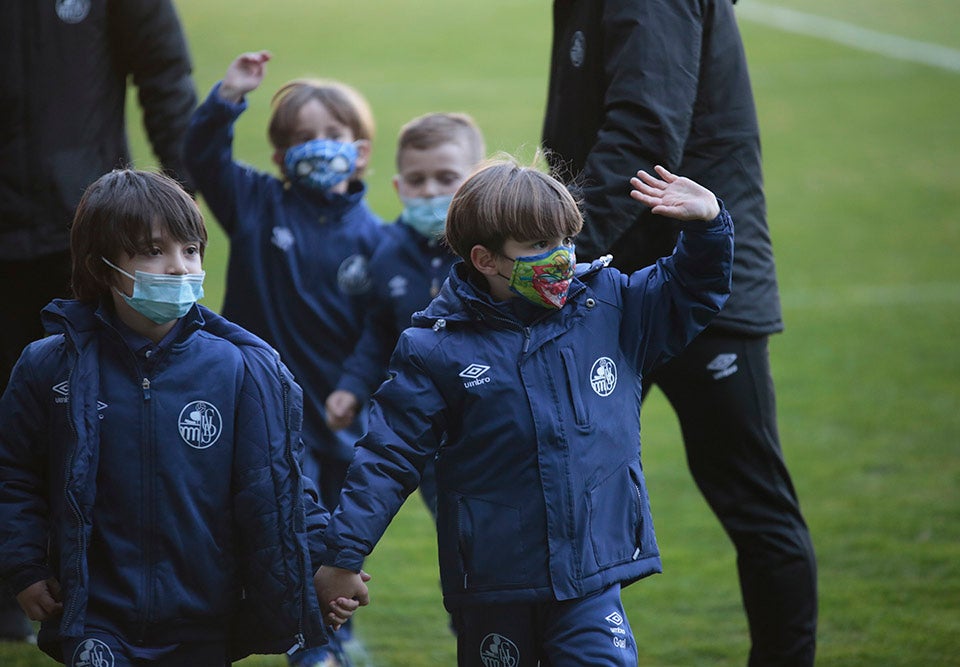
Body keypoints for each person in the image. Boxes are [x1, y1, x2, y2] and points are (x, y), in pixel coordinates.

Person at [313, 158, 735, 666]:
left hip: (589, 572)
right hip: (496, 579)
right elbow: (388, 457)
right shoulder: (434, 349)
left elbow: (690, 290)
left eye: (565, 241)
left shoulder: (611, 306)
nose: (560, 258)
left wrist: (708, 226)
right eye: (538, 247)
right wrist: (343, 557)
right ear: (486, 259)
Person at [541, 1, 818, 664]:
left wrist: (557, 251)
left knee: (754, 505)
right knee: (558, 496)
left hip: (696, 287)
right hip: (609, 284)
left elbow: (645, 127)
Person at [0, 170, 338, 666]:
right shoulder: (48, 365)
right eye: (153, 250)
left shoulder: (238, 367)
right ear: (102, 266)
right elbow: (13, 473)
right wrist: (25, 567)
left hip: (203, 619)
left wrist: (328, 561)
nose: (180, 268)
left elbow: (279, 482)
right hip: (96, 616)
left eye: (190, 250)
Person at [0, 1, 198, 640]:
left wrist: (176, 219)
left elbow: (164, 72)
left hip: (86, 237)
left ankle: (103, 588)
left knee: (95, 413)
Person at [183, 50, 383, 667]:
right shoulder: (256, 204)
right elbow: (202, 159)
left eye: (331, 136)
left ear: (362, 150)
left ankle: (327, 642)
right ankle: (286, 641)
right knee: (269, 531)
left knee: (335, 539)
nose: (317, 148)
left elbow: (382, 338)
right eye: (301, 139)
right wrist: (226, 101)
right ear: (277, 157)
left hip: (339, 418)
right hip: (258, 409)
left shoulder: (379, 240)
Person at [326, 111, 485, 516]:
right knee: (455, 528)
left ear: (475, 180)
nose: (430, 191)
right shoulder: (386, 249)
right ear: (398, 186)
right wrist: (352, 386)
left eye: (446, 178)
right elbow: (378, 332)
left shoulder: (489, 249)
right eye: (416, 180)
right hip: (424, 427)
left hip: (488, 417)